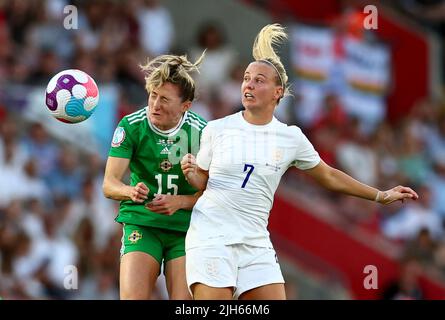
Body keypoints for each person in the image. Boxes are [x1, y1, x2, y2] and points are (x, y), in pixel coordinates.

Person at [180, 24, 419, 300]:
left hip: (254, 242)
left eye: (259, 80)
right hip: (212, 238)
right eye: (247, 78)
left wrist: (379, 195)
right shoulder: (216, 129)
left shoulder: (290, 137)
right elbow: (203, 185)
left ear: (278, 92)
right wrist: (193, 176)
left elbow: (328, 176)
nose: (249, 84)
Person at [102, 52, 207, 300]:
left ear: (185, 106)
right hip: (142, 222)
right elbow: (109, 184)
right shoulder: (131, 126)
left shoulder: (203, 132)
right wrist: (129, 191)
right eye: (153, 95)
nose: (155, 105)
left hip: (186, 228)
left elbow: (213, 193)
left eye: (165, 99)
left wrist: (179, 201)